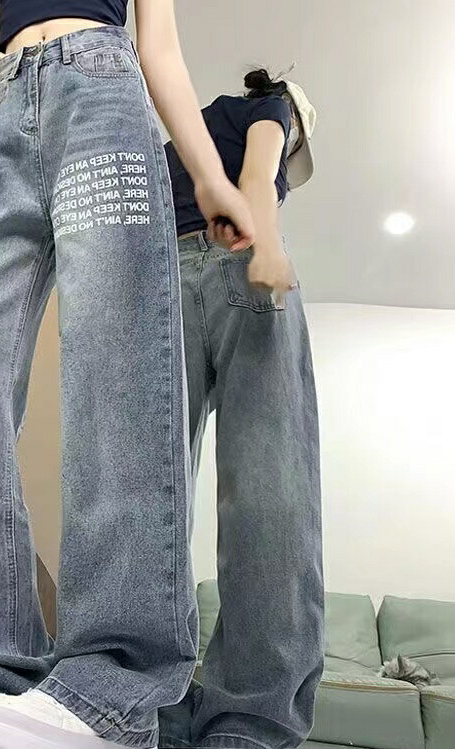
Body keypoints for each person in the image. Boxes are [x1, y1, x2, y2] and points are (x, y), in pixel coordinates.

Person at [0, 3, 257, 749]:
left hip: (101, 94)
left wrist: (209, 177)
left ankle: (113, 685)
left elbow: (159, 46)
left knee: (115, 368)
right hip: (1, 125)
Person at [158, 69, 325, 749]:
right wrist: (270, 247)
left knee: (150, 498)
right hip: (238, 264)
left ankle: (148, 708)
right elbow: (257, 175)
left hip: (161, 280)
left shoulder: (189, 133)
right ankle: (249, 723)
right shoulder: (273, 108)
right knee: (267, 487)